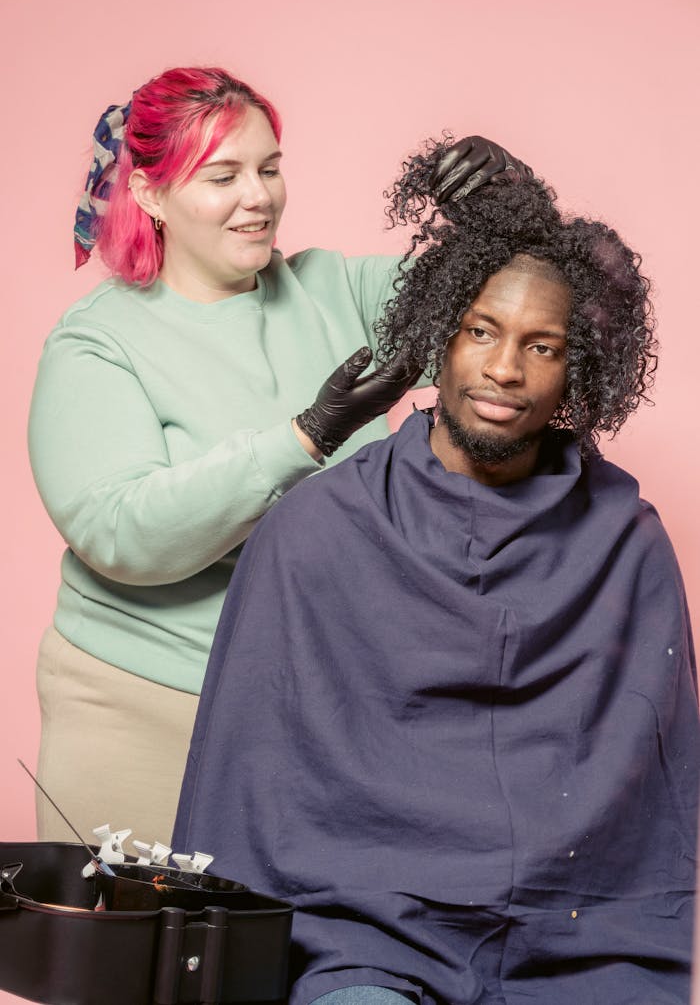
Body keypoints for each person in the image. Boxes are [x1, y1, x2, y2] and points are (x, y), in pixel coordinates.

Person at [174, 146, 699, 1004]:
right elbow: (247, 787)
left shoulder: (627, 543)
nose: (503, 370)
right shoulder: (316, 530)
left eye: (543, 346)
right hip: (365, 939)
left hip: (574, 946)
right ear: (438, 335)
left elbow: (652, 799)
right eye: (482, 331)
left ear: (580, 371)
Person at [28, 65, 526, 845]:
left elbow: (513, 324)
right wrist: (305, 438)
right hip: (146, 704)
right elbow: (121, 533)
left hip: (323, 706)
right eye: (222, 175)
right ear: (152, 194)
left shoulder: (336, 292)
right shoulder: (99, 342)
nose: (257, 196)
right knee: (143, 958)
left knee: (290, 960)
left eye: (269, 168)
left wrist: (515, 220)